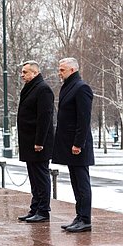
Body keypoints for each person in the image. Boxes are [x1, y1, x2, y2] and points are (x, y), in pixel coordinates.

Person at [52, 57, 94, 232]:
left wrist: (78, 143)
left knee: (82, 183)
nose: (59, 73)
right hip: (69, 145)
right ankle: (80, 216)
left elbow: (83, 119)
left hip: (78, 145)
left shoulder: (81, 88)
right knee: (75, 182)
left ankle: (85, 219)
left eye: (62, 70)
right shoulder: (68, 86)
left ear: (72, 70)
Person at [17, 60, 54, 223]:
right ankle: (35, 208)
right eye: (22, 72)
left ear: (34, 73)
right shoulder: (30, 88)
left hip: (38, 143)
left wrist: (40, 141)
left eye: (25, 72)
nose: (22, 75)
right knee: (33, 177)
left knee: (41, 176)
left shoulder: (43, 89)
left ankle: (43, 210)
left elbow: (45, 117)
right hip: (29, 141)